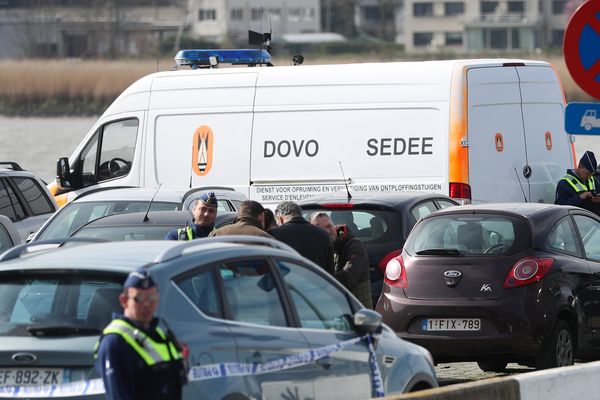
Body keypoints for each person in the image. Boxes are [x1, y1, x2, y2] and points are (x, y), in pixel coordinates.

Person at [95, 269, 186, 400]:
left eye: (152, 297)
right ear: (124, 300)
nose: (147, 304)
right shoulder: (115, 342)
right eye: (139, 298)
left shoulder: (157, 333)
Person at [311, 212, 373, 309]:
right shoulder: (323, 248)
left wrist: (322, 284)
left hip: (359, 312)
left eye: (329, 226)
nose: (327, 231)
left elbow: (349, 276)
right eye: (321, 229)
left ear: (333, 225)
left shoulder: (353, 244)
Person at [270, 201, 334, 275]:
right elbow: (330, 271)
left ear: (280, 219)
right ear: (300, 214)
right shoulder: (323, 235)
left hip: (288, 284)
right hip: (318, 284)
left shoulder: (273, 235)